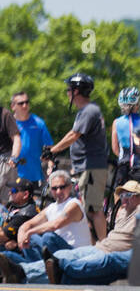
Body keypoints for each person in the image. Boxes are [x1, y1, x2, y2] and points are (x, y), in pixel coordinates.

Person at [25, 179, 138, 285]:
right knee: (61, 254)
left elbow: (57, 224)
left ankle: (27, 274)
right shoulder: (123, 211)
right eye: (122, 195)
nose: (124, 199)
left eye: (128, 195)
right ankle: (22, 270)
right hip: (99, 247)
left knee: (60, 257)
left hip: (112, 253)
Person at [0, 170, 92, 284]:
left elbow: (56, 224)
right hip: (56, 252)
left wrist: (29, 232)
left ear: (70, 187)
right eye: (54, 188)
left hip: (75, 253)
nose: (58, 191)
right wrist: (22, 233)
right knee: (19, 245)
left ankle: (26, 272)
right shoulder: (52, 207)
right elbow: (28, 224)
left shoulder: (74, 204)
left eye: (62, 187)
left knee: (47, 237)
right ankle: (37, 273)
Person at [48, 73, 107, 243]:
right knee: (89, 209)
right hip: (86, 167)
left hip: (92, 167)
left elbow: (74, 135)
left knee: (94, 209)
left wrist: (54, 150)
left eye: (69, 89)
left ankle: (104, 247)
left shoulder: (89, 111)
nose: (67, 93)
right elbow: (72, 134)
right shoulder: (85, 111)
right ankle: (94, 244)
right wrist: (55, 149)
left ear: (76, 91)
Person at [9, 90, 54, 188]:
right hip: (13, 176)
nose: (25, 105)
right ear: (13, 106)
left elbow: (50, 149)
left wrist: (50, 166)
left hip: (35, 176)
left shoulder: (39, 123)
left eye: (27, 102)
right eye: (21, 103)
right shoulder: (9, 124)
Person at [109, 88, 140, 221]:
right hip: (138, 164)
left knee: (119, 192)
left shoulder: (116, 122)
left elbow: (115, 148)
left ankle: (117, 220)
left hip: (123, 164)